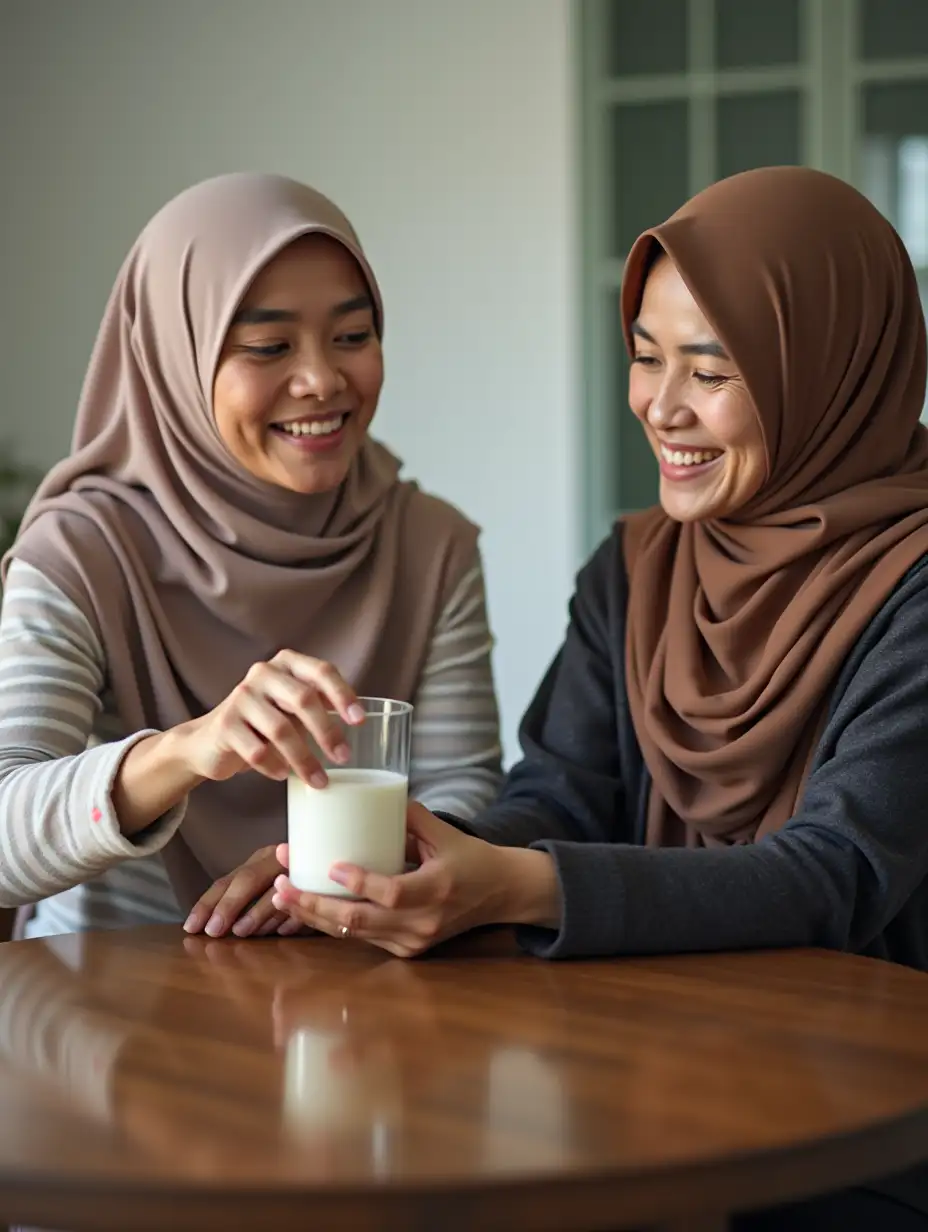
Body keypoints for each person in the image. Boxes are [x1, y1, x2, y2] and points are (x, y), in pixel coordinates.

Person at [269, 166, 928, 1229]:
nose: (659, 406)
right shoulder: (634, 568)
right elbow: (562, 795)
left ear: (827, 371)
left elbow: (835, 875)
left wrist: (518, 886)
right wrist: (413, 855)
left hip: (858, 1130)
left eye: (709, 369)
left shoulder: (913, 587)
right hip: (637, 1081)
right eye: (643, 356)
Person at [0, 172, 502, 941]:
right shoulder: (82, 552)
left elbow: (467, 792)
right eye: (269, 346)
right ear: (177, 356)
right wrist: (190, 749)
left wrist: (337, 871)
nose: (323, 380)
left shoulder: (429, 544)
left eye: (353, 336)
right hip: (108, 1002)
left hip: (362, 993)